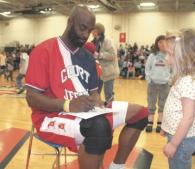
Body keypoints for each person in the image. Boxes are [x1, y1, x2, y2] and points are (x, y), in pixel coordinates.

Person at [25, 5, 148, 169]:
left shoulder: (88, 57)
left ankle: (117, 166)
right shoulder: (43, 50)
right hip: (50, 116)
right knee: (99, 128)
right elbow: (31, 98)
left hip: (86, 111)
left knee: (141, 114)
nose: (85, 35)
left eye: (89, 31)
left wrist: (98, 102)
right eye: (82, 28)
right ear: (70, 22)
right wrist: (67, 104)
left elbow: (93, 93)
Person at [161, 29, 195, 169]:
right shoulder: (185, 77)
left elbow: (188, 117)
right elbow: (178, 108)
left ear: (186, 57)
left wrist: (173, 144)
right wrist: (167, 126)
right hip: (180, 135)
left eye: (170, 54)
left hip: (182, 140)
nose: (166, 58)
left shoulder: (188, 81)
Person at [145, 35, 171, 133]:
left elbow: (173, 70)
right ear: (157, 44)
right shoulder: (152, 56)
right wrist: (149, 79)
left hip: (165, 84)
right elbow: (147, 68)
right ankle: (150, 122)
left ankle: (160, 123)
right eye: (160, 42)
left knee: (162, 104)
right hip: (153, 84)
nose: (162, 44)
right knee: (151, 103)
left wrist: (169, 80)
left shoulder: (169, 56)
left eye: (164, 42)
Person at [92, 23, 119, 103]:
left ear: (98, 31)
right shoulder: (94, 42)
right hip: (98, 72)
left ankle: (110, 112)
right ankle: (98, 111)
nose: (91, 32)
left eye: (93, 30)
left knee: (108, 94)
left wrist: (100, 55)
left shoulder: (107, 40)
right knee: (96, 93)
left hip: (109, 73)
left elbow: (113, 55)